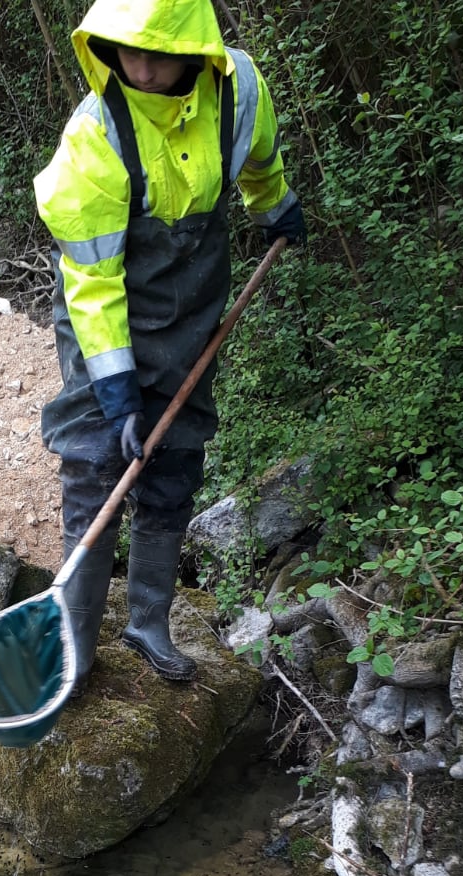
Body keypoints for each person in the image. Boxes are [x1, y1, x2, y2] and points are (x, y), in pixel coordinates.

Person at [33, 0, 306, 692]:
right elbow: (92, 282)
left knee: (175, 463)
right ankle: (75, 647)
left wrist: (273, 204)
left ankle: (149, 621)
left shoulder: (239, 88)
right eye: (125, 51)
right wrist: (116, 388)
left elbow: (258, 157)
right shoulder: (94, 135)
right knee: (98, 470)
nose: (141, 68)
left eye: (156, 52)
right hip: (105, 320)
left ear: (195, 46)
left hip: (191, 315)